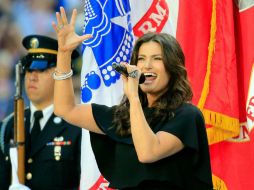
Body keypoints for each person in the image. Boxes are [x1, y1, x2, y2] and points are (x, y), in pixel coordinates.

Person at [52, 7, 213, 190]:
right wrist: (64, 55)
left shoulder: (187, 116)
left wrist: (134, 96)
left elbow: (147, 152)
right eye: (141, 59)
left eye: (157, 58)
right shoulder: (124, 116)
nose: (147, 65)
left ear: (173, 67)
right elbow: (66, 109)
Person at [0, 34, 82, 190]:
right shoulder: (7, 126)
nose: (32, 76)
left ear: (61, 72)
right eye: (29, 69)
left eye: (41, 69)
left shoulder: (77, 125)